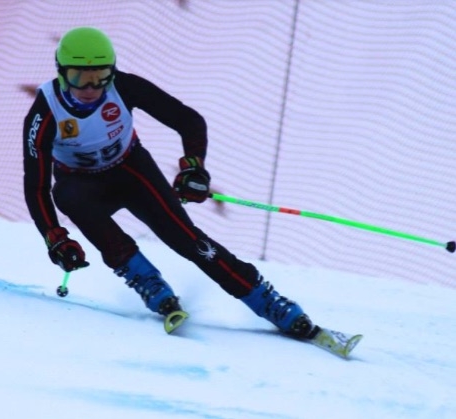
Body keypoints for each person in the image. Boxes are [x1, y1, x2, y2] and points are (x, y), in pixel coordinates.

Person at [23, 26, 315, 338]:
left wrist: (194, 168)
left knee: (189, 241)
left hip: (132, 172)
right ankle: (147, 281)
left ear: (113, 71)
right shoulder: (45, 113)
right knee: (64, 193)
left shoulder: (125, 87)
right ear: (61, 72)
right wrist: (55, 237)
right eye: (79, 77)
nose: (91, 87)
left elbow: (188, 121)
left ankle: (266, 300)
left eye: (101, 75)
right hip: (82, 186)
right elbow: (35, 186)